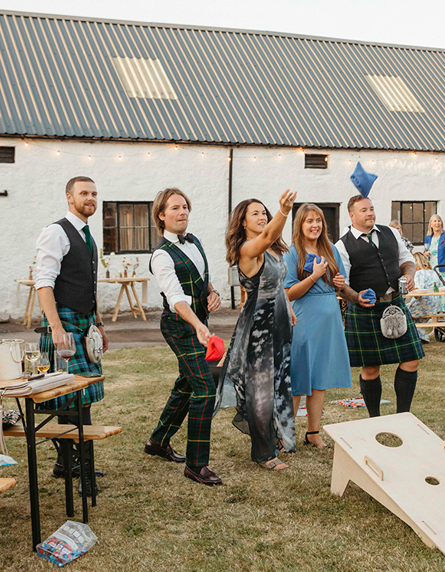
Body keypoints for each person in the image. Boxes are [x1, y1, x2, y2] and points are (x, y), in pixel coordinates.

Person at [34, 176, 109, 495]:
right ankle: (85, 474)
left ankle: (66, 463)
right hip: (63, 324)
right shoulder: (56, 232)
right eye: (84, 193)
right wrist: (56, 328)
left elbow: (89, 286)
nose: (90, 198)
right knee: (72, 400)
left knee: (76, 398)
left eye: (93, 193)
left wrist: (100, 323)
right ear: (69, 197)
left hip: (84, 321)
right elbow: (44, 283)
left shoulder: (88, 236)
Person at [144, 188, 223, 486]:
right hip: (179, 326)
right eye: (175, 208)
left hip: (199, 322)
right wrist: (198, 325)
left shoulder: (196, 241)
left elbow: (204, 278)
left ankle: (158, 441)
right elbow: (176, 296)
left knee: (187, 383)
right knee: (205, 388)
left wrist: (212, 293)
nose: (182, 212)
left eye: (185, 207)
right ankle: (196, 465)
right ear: (161, 215)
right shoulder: (161, 255)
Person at [218, 191, 298, 471]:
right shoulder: (247, 249)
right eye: (256, 213)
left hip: (278, 320)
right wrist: (284, 211)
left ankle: (276, 437)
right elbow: (265, 238)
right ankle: (264, 454)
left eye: (265, 212)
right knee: (260, 389)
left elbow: (277, 285)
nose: (262, 216)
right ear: (242, 222)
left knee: (278, 381)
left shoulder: (274, 250)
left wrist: (287, 308)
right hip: (258, 326)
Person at [335, 195, 424, 418]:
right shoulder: (342, 244)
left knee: (411, 359)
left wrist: (408, 274)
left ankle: (402, 415)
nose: (370, 213)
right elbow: (341, 285)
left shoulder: (391, 233)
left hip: (395, 303)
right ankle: (374, 418)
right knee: (370, 367)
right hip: (365, 311)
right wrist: (356, 298)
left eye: (372, 209)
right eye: (364, 210)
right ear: (352, 215)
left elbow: (407, 260)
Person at [284, 204, 354, 449]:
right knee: (299, 376)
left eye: (318, 221)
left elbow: (341, 285)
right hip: (304, 320)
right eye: (309, 221)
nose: (315, 225)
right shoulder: (292, 253)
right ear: (300, 225)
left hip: (330, 320)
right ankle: (286, 433)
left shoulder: (331, 249)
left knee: (319, 378)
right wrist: (313, 276)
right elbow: (289, 294)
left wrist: (339, 282)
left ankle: (313, 432)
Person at [406, 252, 445, 343]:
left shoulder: (419, 274)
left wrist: (410, 291)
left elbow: (418, 293)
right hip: (433, 307)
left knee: (403, 313)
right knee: (416, 322)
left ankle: (421, 337)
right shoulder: (433, 273)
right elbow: (439, 288)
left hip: (422, 306)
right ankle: (421, 337)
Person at [424, 214, 445, 285]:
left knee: (444, 294)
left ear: (441, 224)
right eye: (435, 221)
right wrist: (425, 254)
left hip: (444, 272)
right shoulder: (428, 238)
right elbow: (426, 251)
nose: (437, 223)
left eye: (439, 221)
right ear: (431, 225)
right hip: (432, 272)